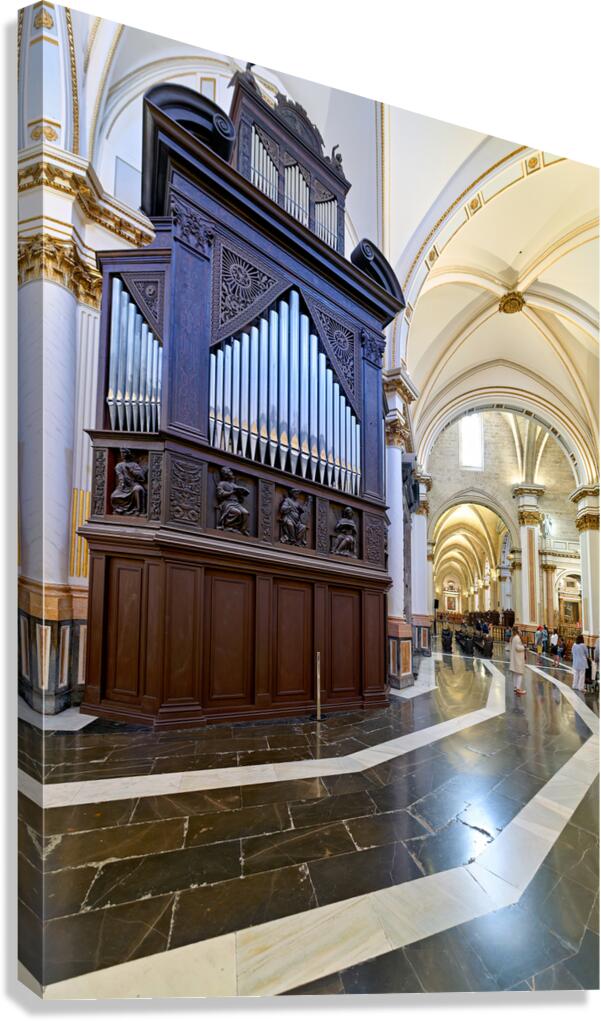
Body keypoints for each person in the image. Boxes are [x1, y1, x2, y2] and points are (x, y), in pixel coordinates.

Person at [510, 626, 527, 696]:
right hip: (518, 658)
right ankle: (518, 689)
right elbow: (518, 648)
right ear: (517, 631)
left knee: (515, 673)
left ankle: (515, 688)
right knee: (520, 673)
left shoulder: (513, 637)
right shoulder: (517, 638)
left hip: (515, 658)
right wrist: (524, 647)